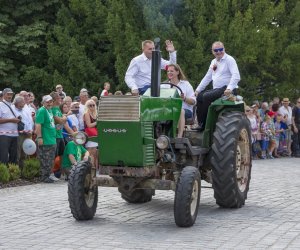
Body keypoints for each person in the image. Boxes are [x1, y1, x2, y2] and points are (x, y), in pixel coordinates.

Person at [194, 41, 240, 131]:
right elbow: (207, 77)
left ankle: (207, 125)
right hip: (217, 90)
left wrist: (229, 88)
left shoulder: (229, 59)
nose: (218, 52)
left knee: (206, 96)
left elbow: (236, 76)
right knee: (199, 96)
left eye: (220, 49)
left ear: (224, 49)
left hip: (228, 90)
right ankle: (201, 123)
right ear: (212, 51)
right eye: (216, 50)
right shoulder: (213, 62)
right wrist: (198, 89)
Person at [162, 64, 196, 137]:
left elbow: (193, 101)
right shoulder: (164, 85)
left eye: (172, 71)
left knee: (180, 110)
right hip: (168, 110)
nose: (169, 73)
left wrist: (184, 98)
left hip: (185, 110)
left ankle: (179, 137)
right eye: (168, 71)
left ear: (177, 72)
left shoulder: (186, 84)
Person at [35, 95, 56, 183]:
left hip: (51, 139)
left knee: (50, 159)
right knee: (45, 159)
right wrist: (39, 137)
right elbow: (38, 124)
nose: (49, 103)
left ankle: (47, 175)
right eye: (47, 102)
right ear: (43, 102)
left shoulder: (49, 110)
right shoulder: (42, 110)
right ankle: (44, 176)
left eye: (51, 101)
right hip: (45, 139)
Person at [12, 96, 34, 171]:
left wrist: (30, 130)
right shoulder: (12, 109)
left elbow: (28, 121)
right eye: (21, 104)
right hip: (18, 134)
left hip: (27, 134)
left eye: (23, 104)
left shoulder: (24, 109)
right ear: (16, 103)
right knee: (18, 152)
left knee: (25, 153)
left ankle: (23, 171)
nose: (23, 105)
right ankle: (16, 170)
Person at [50, 91, 67, 180]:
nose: (60, 99)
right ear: (54, 99)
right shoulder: (52, 109)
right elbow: (60, 121)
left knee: (62, 155)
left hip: (60, 135)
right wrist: (64, 117)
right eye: (58, 98)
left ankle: (62, 173)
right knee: (53, 156)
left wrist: (63, 118)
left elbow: (63, 121)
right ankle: (51, 174)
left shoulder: (58, 109)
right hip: (54, 136)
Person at [0, 88, 20, 164]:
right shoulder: (0, 105)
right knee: (3, 158)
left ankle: (12, 175)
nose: (10, 96)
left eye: (11, 94)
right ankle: (3, 174)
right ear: (4, 95)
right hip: (4, 135)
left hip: (15, 134)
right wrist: (11, 120)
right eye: (8, 94)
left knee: (13, 158)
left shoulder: (12, 105)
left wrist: (18, 119)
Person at [83, 99, 98, 167]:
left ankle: (93, 167)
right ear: (87, 106)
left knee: (94, 152)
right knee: (90, 151)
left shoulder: (95, 114)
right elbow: (89, 125)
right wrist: (97, 122)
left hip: (95, 134)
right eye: (90, 105)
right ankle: (90, 167)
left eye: (93, 105)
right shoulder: (86, 113)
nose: (92, 106)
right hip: (89, 134)